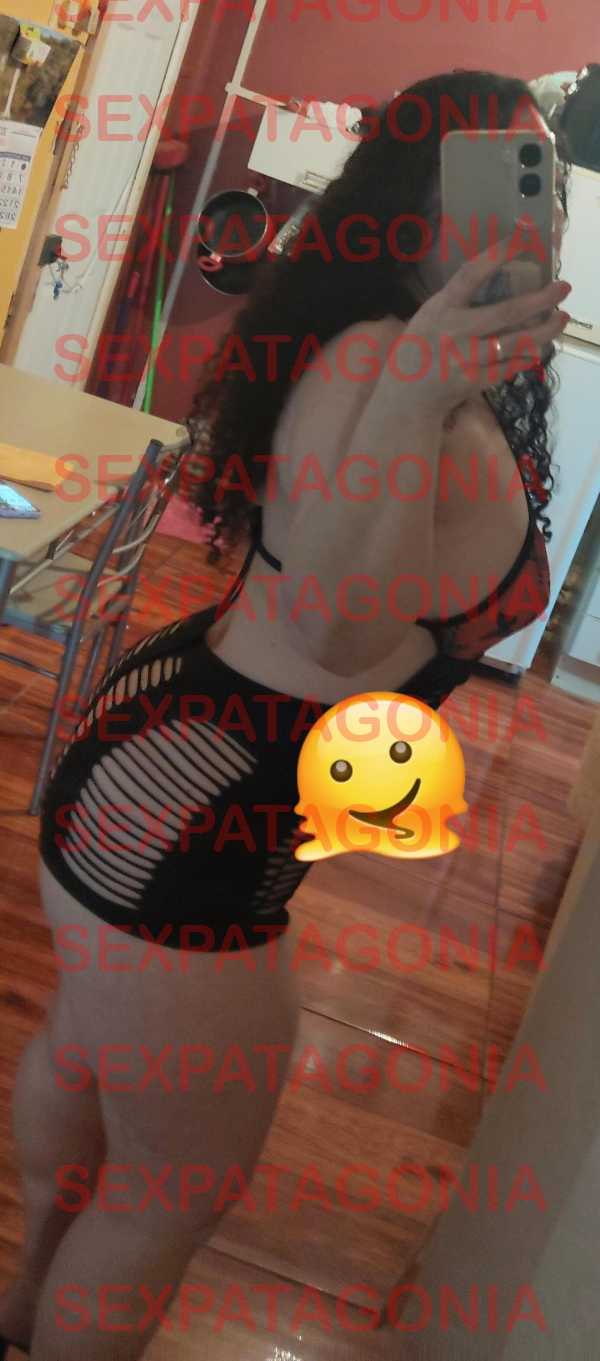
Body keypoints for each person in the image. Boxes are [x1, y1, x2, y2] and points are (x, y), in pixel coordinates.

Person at [0, 69, 572, 1360]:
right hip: (195, 808)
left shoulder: (389, 341)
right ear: (407, 204)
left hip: (169, 762)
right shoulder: (384, 359)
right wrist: (419, 391)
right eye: (493, 178)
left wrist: (439, 377)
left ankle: (30, 1300)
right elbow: (332, 626)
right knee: (171, 1191)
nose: (529, 211)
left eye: (541, 180)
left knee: (87, 1050)